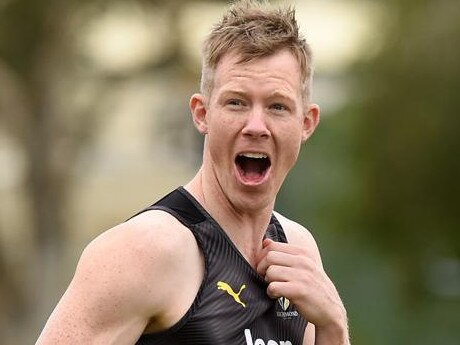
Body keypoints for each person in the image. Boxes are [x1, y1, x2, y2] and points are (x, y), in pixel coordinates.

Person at [36, 0, 349, 344]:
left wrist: (333, 324)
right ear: (202, 114)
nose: (256, 126)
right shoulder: (145, 250)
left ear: (306, 123)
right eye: (236, 102)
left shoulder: (296, 248)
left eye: (277, 106)